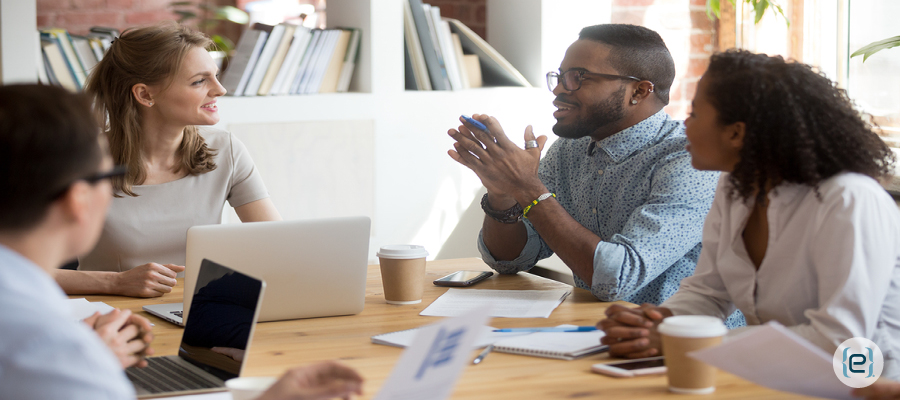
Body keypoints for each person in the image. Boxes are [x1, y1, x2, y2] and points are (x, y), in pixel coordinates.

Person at [0, 83, 363, 400]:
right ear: (78, 200)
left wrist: (93, 354)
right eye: (106, 174)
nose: (219, 89)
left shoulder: (43, 331)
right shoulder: (50, 349)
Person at [598, 50, 900, 381]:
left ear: (736, 133)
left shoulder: (848, 199)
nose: (685, 122)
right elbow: (708, 294)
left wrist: (685, 339)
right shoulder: (734, 187)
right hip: (777, 379)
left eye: (696, 113)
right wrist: (652, 323)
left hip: (867, 384)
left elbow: (839, 342)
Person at [448, 24, 733, 318]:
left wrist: (527, 187)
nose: (559, 89)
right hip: (597, 332)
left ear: (639, 90)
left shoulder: (690, 161)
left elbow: (617, 279)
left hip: (684, 347)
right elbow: (510, 260)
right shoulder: (568, 151)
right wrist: (503, 196)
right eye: (559, 76)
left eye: (578, 78)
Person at [55, 22, 282, 298]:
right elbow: (16, 268)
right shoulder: (79, 159)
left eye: (215, 76)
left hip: (198, 314)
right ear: (145, 94)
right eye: (199, 81)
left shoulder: (226, 150)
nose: (220, 90)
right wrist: (115, 282)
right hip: (111, 320)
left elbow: (277, 247)